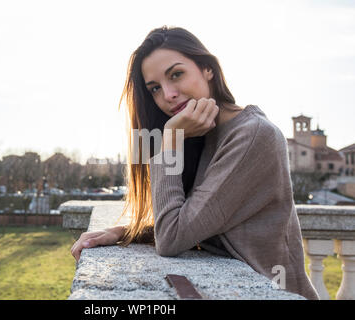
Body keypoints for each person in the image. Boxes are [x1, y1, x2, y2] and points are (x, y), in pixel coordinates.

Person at [71, 26, 319, 300]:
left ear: (207, 69)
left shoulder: (253, 135)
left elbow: (172, 238)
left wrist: (169, 140)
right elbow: (192, 220)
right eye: (154, 88)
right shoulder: (200, 134)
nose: (168, 94)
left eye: (176, 74)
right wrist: (124, 232)